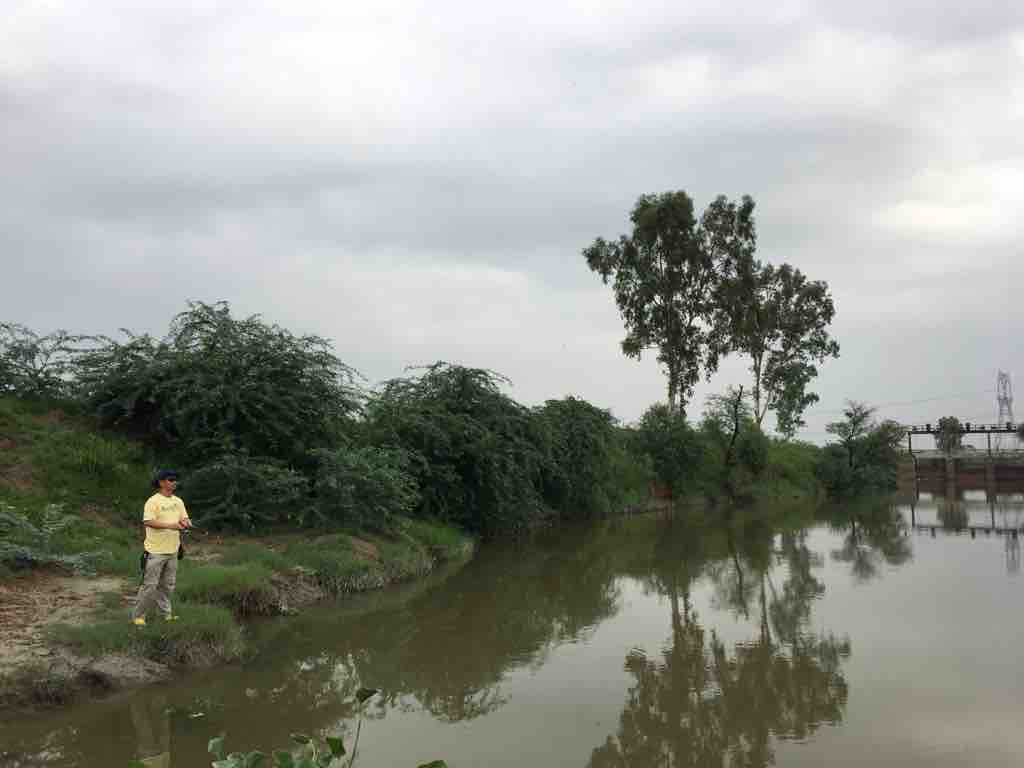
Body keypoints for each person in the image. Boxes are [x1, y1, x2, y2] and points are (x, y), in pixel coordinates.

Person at [132, 469, 191, 626]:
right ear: (161, 482)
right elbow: (148, 521)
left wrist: (186, 522)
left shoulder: (178, 501)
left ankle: (165, 615)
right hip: (155, 552)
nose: (174, 482)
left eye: (175, 479)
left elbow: (184, 517)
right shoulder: (153, 502)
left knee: (167, 585)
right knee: (149, 586)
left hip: (173, 550)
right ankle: (139, 617)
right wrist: (171, 526)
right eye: (171, 479)